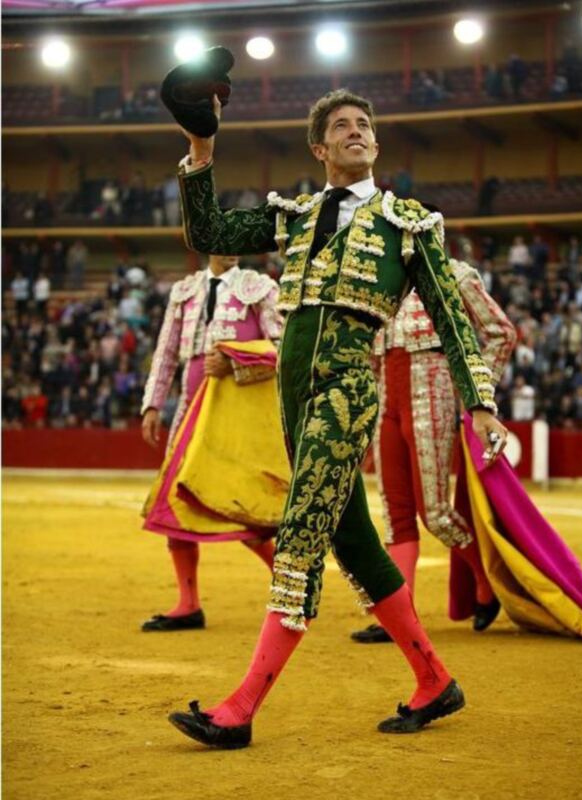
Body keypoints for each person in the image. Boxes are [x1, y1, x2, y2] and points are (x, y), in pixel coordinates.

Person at [168, 89, 507, 748]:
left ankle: (241, 707)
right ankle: (434, 679)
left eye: (365, 125)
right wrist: (202, 148)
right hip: (292, 395)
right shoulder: (293, 216)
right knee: (352, 538)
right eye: (342, 127)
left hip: (348, 389)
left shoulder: (407, 223)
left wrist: (481, 401)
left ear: (375, 145)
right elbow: (207, 233)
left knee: (301, 524)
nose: (357, 132)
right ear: (319, 149)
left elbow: (449, 315)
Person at [351, 259, 516, 644]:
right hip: (386, 392)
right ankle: (399, 615)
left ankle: (487, 585)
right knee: (395, 513)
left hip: (434, 387)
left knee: (437, 514)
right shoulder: (382, 276)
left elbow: (500, 333)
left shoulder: (454, 274)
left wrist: (475, 393)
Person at [140, 254, 284, 632]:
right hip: (189, 406)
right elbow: (166, 353)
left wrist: (237, 363)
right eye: (221, 242)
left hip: (233, 410)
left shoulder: (260, 288)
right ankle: (188, 604)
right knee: (175, 498)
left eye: (234, 242)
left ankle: (290, 585)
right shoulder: (184, 292)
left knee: (238, 502)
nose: (229, 249)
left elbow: (284, 348)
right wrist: (153, 403)